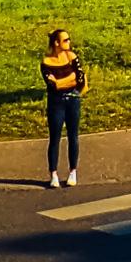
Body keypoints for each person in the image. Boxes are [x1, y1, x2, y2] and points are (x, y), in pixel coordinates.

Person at [41, 28, 86, 187]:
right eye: (65, 40)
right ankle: (53, 173)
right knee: (55, 138)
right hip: (56, 103)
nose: (69, 42)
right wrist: (68, 80)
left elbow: (80, 80)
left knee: (73, 137)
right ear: (56, 43)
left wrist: (61, 82)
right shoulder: (46, 63)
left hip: (73, 101)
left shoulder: (72, 57)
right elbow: (52, 85)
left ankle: (73, 171)